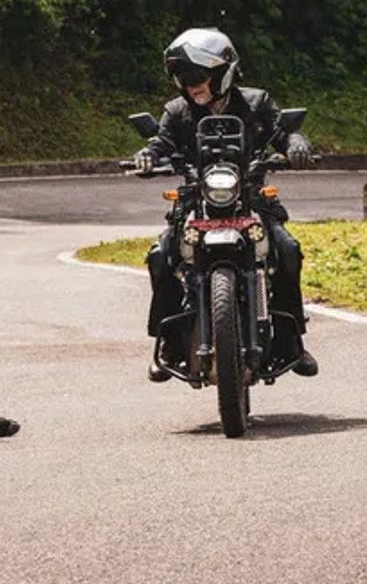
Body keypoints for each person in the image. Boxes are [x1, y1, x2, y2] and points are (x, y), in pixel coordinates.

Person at [132, 28, 318, 382]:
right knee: (160, 256)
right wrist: (146, 156)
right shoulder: (177, 111)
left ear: (223, 73)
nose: (191, 85)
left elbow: (283, 132)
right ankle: (168, 341)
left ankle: (292, 342)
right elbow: (161, 143)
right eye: (183, 78)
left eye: (198, 76)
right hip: (194, 205)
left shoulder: (255, 103)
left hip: (250, 200)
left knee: (288, 250)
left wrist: (296, 144)